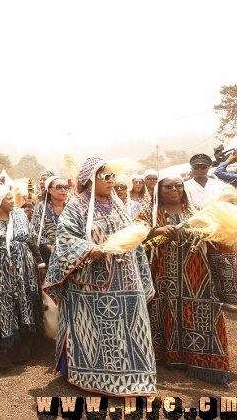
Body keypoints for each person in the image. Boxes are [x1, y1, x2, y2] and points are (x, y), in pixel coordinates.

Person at [43, 157, 156, 396]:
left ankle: (132, 377)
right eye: (106, 177)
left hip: (126, 280)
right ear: (90, 180)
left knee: (130, 327)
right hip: (89, 285)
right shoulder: (76, 206)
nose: (112, 181)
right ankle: (89, 375)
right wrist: (88, 249)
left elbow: (130, 238)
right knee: (92, 329)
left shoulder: (117, 204)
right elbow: (65, 239)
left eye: (113, 176)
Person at [136, 174, 231, 383]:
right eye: (168, 186)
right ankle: (166, 356)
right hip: (163, 275)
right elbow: (136, 236)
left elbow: (212, 234)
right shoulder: (148, 212)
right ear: (159, 190)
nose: (174, 189)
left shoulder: (195, 211)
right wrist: (156, 231)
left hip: (195, 274)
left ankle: (202, 360)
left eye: (178, 185)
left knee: (202, 311)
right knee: (164, 310)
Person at [0, 183, 38, 370]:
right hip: (1, 270)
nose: (12, 201)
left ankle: (22, 352)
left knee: (24, 306)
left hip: (24, 271)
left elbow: (30, 240)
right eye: (8, 199)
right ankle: (1, 354)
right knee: (2, 309)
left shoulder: (20, 216)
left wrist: (39, 262)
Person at [30, 176, 68, 266]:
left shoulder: (71, 207)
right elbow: (34, 232)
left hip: (70, 255)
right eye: (59, 187)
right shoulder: (41, 208)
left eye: (66, 187)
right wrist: (48, 247)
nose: (63, 190)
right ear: (50, 190)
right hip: (48, 258)